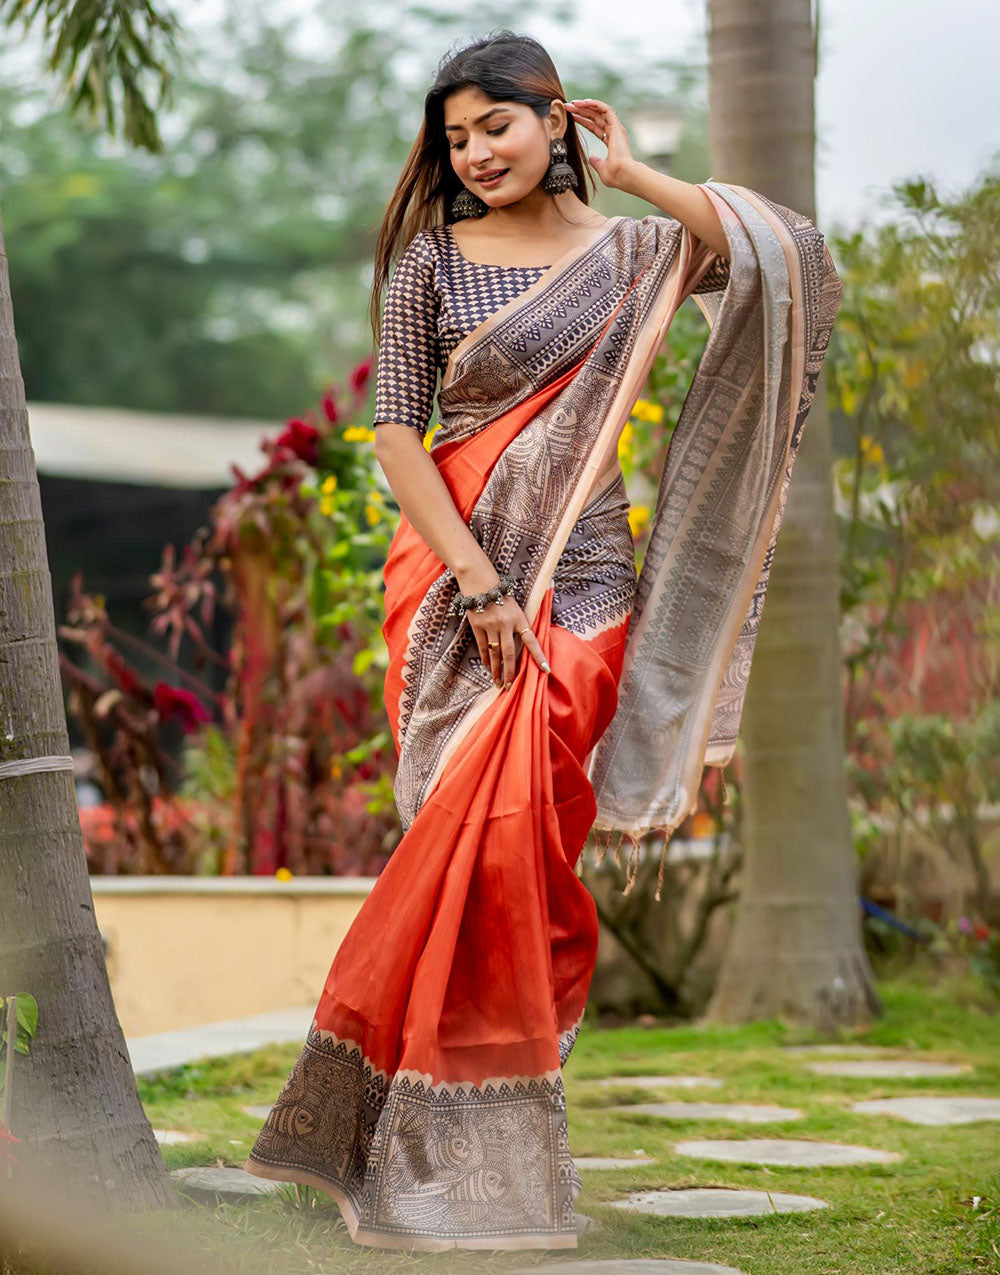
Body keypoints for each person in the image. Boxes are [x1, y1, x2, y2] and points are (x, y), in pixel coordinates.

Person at [244, 29, 843, 1253]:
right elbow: (399, 437)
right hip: (456, 591)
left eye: (496, 127)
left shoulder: (633, 251)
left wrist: (636, 178)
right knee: (455, 845)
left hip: (583, 586)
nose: (474, 155)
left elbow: (784, 262)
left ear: (556, 118)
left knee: (525, 861)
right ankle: (392, 1137)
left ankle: (489, 1158)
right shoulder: (428, 262)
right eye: (454, 138)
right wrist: (475, 582)